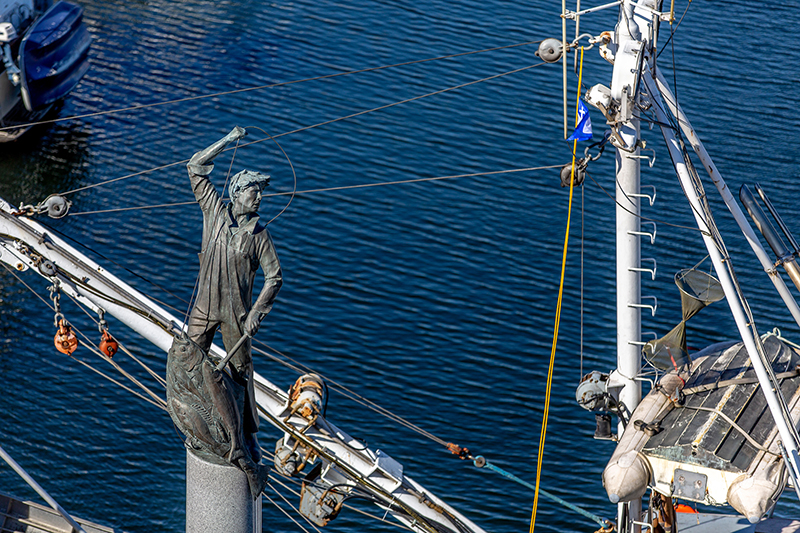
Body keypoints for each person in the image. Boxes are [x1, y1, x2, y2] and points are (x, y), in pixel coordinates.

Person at [186, 126, 282, 462]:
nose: (259, 198)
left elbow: (274, 277)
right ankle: (199, 414)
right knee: (188, 356)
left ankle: (249, 434)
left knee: (242, 373)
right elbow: (195, 166)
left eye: (260, 194)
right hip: (204, 305)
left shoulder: (259, 235)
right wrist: (227, 140)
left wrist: (257, 312)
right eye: (253, 193)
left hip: (236, 313)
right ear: (236, 193)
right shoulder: (213, 210)